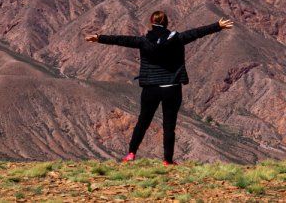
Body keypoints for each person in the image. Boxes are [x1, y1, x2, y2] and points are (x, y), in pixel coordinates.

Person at [85, 10, 234, 165]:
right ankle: (167, 160)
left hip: (151, 88)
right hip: (172, 88)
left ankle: (131, 154)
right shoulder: (177, 39)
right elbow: (196, 33)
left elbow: (122, 40)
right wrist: (218, 25)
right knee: (169, 125)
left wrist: (99, 38)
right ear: (166, 22)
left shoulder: (143, 41)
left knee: (143, 121)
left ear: (151, 21)